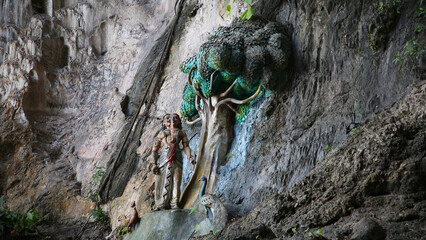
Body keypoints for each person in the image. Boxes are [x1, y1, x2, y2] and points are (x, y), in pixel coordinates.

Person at [149, 113, 195, 210]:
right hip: (163, 158)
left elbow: (186, 146)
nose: (172, 122)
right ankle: (160, 203)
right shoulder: (161, 134)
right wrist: (153, 164)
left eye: (175, 119)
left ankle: (174, 203)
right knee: (160, 179)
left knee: (176, 180)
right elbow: (154, 151)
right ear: (164, 122)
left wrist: (189, 156)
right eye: (168, 120)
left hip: (177, 157)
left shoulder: (182, 133)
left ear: (178, 121)